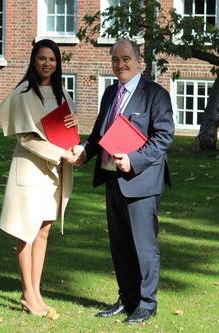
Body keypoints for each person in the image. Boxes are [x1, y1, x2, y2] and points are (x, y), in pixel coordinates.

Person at [72, 39, 174, 324]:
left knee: (143, 245)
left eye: (126, 58)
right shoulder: (109, 94)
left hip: (141, 182)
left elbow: (164, 136)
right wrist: (85, 150)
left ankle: (146, 303)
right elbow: (98, 135)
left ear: (139, 61)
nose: (121, 64)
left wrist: (135, 159)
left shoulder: (155, 94)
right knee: (119, 244)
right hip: (112, 179)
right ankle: (127, 298)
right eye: (116, 59)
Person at [0, 39, 78, 318]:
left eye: (53, 59)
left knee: (44, 230)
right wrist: (61, 154)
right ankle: (28, 294)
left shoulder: (61, 93)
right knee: (27, 231)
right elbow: (27, 138)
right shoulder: (22, 93)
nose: (48, 63)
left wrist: (75, 142)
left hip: (53, 173)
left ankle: (35, 291)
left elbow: (68, 129)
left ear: (58, 64)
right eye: (42, 58)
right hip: (31, 169)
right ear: (34, 61)